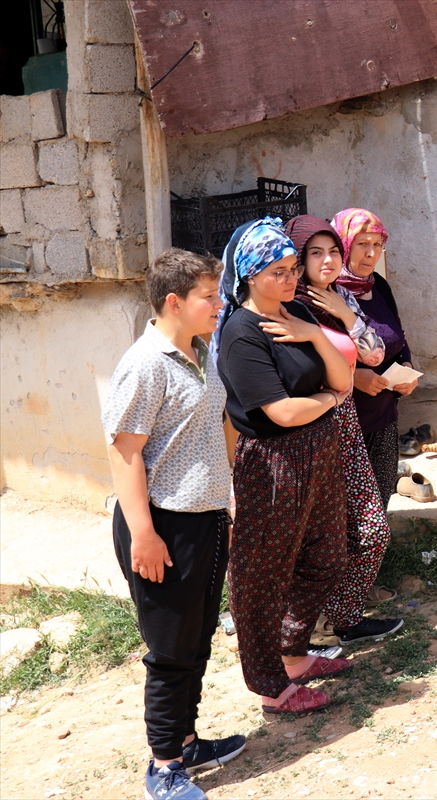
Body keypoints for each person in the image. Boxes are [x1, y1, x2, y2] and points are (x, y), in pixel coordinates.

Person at [102, 248, 245, 800]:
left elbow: (219, 425)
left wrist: (227, 496)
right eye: (209, 296)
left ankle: (186, 741)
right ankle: (163, 768)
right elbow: (124, 454)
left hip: (205, 518)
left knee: (199, 638)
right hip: (162, 524)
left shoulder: (200, 350)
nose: (218, 303)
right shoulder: (145, 363)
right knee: (168, 649)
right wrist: (143, 532)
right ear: (174, 302)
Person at [215, 217, 353, 715]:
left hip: (318, 450)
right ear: (251, 274)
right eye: (279, 271)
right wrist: (328, 399)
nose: (291, 279)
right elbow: (282, 412)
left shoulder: (294, 313)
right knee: (261, 576)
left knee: (327, 556)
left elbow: (345, 376)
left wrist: (314, 334)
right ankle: (270, 684)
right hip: (273, 462)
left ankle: (293, 654)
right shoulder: (240, 333)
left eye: (294, 268)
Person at [284, 215, 404, 647]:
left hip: (346, 423)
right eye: (316, 252)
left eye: (334, 251)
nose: (329, 260)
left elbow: (373, 353)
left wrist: (344, 316)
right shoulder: (286, 306)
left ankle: (344, 618)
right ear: (298, 259)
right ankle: (301, 632)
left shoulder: (338, 298)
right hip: (306, 429)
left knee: (370, 529)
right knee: (316, 537)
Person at [332, 208, 419, 509]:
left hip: (384, 415)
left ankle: (377, 558)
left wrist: (407, 368)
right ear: (343, 245)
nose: (371, 253)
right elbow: (319, 353)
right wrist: (355, 379)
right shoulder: (330, 294)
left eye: (377, 244)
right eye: (362, 244)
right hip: (347, 421)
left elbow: (398, 335)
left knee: (379, 500)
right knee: (347, 507)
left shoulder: (378, 285)